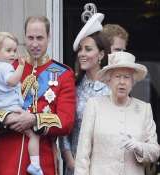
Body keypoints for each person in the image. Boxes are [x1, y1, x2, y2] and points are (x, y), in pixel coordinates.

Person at [0, 16, 76, 175]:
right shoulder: (7, 68)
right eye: (30, 38)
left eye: (40, 38)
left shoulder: (63, 74)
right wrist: (7, 119)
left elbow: (66, 121)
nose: (34, 44)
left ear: (49, 37)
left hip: (41, 162)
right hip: (5, 161)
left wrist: (34, 119)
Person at [74, 51, 160, 175]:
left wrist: (138, 146)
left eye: (127, 77)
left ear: (133, 82)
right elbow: (83, 154)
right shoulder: (95, 105)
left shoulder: (144, 109)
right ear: (109, 81)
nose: (122, 82)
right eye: (117, 76)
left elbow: (155, 151)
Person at [0, 32, 43, 175]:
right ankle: (35, 165)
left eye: (14, 51)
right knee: (33, 135)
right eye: (9, 51)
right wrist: (20, 67)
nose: (13, 54)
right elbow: (12, 81)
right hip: (12, 109)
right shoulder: (8, 67)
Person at [59, 13, 111, 175]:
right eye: (80, 49)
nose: (82, 53)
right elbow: (64, 130)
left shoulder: (112, 89)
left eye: (88, 49)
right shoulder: (72, 88)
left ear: (101, 55)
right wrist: (70, 161)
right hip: (75, 167)